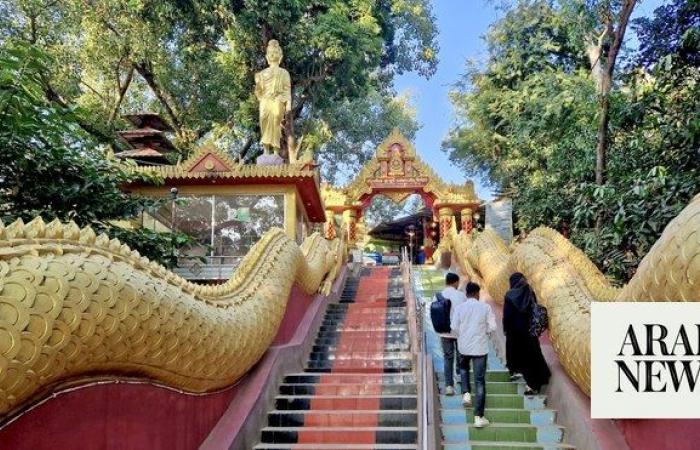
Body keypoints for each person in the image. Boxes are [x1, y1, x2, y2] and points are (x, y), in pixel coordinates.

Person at [451, 282, 496, 428]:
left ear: (466, 293)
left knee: (463, 369)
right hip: (480, 349)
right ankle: (478, 417)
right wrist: (485, 331)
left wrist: (463, 334)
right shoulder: (485, 307)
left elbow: (454, 327)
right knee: (479, 381)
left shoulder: (460, 308)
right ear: (477, 293)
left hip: (463, 347)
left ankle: (466, 394)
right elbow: (493, 327)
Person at [503, 272, 551, 395]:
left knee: (521, 358)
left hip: (515, 333)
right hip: (529, 331)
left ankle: (521, 377)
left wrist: (506, 329)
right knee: (533, 357)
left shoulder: (509, 295)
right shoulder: (530, 292)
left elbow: (507, 315)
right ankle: (535, 384)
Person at [437, 272, 468, 396]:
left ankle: (449, 386)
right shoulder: (461, 296)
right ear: (455, 282)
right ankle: (460, 376)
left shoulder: (439, 295)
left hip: (444, 332)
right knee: (461, 356)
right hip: (459, 332)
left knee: (447, 358)